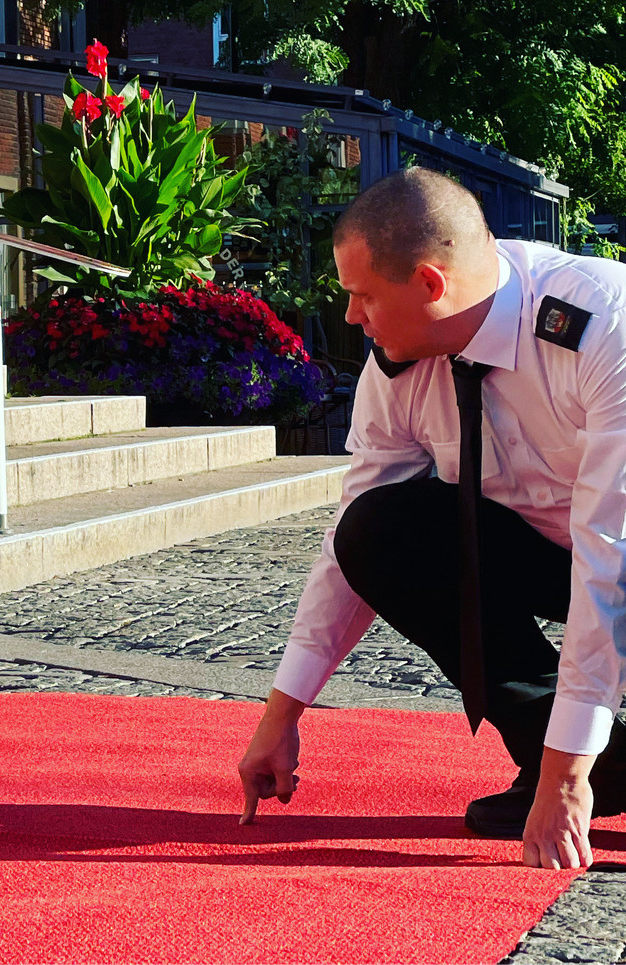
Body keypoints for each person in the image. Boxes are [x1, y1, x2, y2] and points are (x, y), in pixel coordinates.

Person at [237, 168, 626, 870]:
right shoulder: (399, 364)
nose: (352, 317)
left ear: (428, 283)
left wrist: (568, 779)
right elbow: (347, 548)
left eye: (361, 296)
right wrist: (281, 715)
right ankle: (602, 761)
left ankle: (576, 760)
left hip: (615, 546)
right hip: (547, 546)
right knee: (377, 530)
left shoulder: (601, 326)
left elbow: (611, 560)